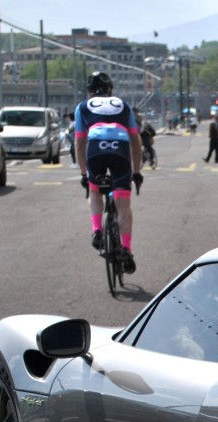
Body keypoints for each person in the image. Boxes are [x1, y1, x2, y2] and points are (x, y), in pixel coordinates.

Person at [75, 71, 142, 274]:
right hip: (120, 149)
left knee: (95, 191)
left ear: (90, 92)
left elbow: (79, 141)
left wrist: (84, 174)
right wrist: (137, 171)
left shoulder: (83, 107)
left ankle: (97, 230)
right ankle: (126, 249)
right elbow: (136, 141)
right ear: (110, 90)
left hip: (95, 148)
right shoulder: (123, 105)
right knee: (123, 203)